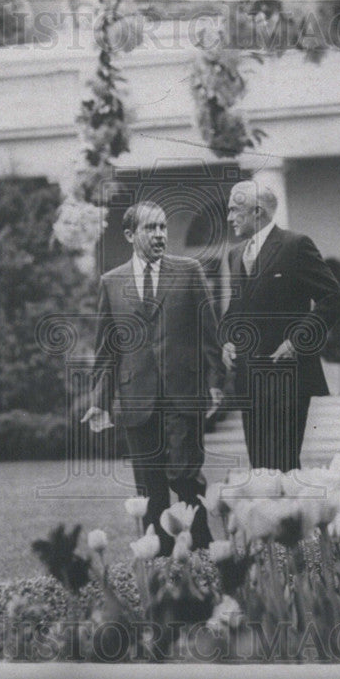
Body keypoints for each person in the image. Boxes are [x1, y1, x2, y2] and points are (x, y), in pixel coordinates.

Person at [82, 201, 224, 554]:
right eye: (151, 228)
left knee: (186, 477)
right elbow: (107, 350)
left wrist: (216, 382)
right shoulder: (111, 282)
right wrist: (100, 402)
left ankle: (203, 552)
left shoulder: (189, 271)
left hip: (183, 394)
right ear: (131, 235)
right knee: (149, 486)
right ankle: (159, 556)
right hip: (136, 399)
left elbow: (210, 333)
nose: (160, 234)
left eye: (163, 227)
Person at [221, 180, 340, 472]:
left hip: (287, 375)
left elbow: (333, 298)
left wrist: (295, 342)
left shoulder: (295, 245)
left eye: (234, 210)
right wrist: (227, 339)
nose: (229, 218)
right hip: (249, 377)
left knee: (284, 466)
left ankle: (292, 518)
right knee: (260, 468)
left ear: (257, 211)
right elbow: (235, 311)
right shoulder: (235, 254)